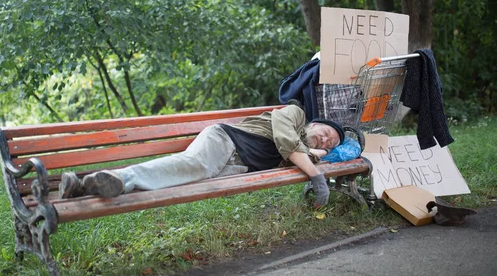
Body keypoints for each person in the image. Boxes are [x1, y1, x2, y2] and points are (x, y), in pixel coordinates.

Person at [59, 104, 344, 208]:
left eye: (330, 143)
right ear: (314, 122)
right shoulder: (295, 115)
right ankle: (120, 177)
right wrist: (316, 173)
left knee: (176, 178)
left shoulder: (303, 152)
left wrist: (318, 152)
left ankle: (82, 187)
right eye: (326, 131)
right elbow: (285, 139)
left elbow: (301, 151)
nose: (326, 139)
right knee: (190, 164)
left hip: (234, 167)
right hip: (226, 142)